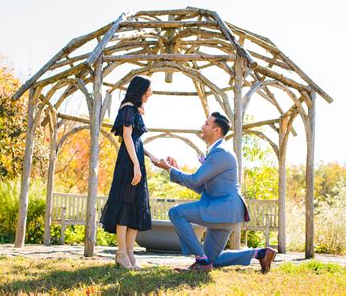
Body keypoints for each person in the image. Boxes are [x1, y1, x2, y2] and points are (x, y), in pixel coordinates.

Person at [155, 112, 277, 273]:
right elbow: (199, 186)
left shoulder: (221, 152)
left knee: (176, 213)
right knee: (213, 259)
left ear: (217, 130)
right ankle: (261, 253)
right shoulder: (218, 151)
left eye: (206, 124)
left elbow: (195, 180)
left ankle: (201, 261)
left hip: (222, 209)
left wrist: (169, 169)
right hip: (227, 212)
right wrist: (177, 170)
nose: (202, 127)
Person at [100, 76, 159, 269]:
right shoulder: (127, 108)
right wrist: (135, 164)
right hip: (128, 163)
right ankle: (121, 253)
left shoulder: (135, 110)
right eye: (148, 90)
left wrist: (151, 157)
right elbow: (126, 137)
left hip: (136, 161)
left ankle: (130, 253)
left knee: (135, 206)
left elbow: (136, 141)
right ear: (140, 89)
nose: (150, 93)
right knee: (126, 205)